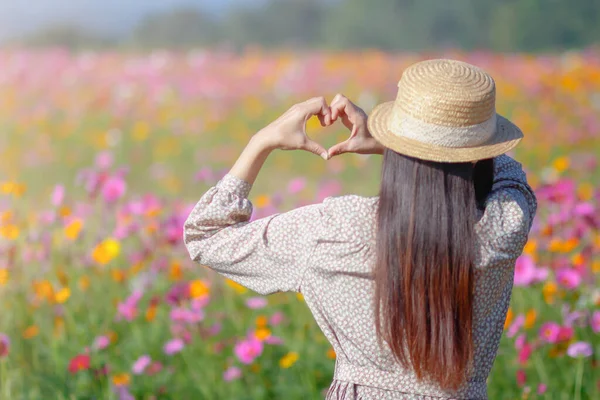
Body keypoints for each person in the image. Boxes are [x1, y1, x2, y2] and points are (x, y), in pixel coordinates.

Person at [183, 59, 537, 399]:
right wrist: (407, 146)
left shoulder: (339, 230)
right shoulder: (505, 224)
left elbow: (204, 237)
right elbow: (506, 169)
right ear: (479, 153)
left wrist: (263, 140)